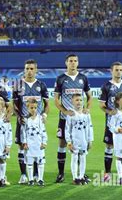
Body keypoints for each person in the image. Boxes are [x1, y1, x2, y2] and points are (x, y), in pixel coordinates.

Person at [54, 54, 92, 183]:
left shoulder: (83, 78)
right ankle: (61, 173)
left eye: (75, 61)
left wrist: (87, 108)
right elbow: (56, 100)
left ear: (78, 63)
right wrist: (65, 111)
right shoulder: (61, 79)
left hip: (79, 118)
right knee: (62, 144)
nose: (73, 63)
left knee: (81, 145)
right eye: (71, 61)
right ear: (66, 63)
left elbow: (90, 96)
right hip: (65, 118)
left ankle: (80, 174)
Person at [13, 59, 49, 184]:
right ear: (24, 70)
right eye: (27, 68)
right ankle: (23, 174)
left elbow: (47, 104)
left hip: (37, 122)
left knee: (37, 147)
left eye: (32, 68)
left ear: (36, 70)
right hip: (23, 121)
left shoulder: (41, 85)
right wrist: (18, 116)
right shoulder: (18, 84)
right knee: (22, 147)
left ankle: (36, 175)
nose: (29, 71)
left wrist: (44, 114)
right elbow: (15, 104)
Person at [99, 62, 122, 182]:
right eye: (116, 70)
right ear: (111, 71)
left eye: (120, 70)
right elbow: (101, 105)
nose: (119, 72)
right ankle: (107, 173)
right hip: (112, 122)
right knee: (109, 146)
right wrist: (111, 112)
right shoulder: (106, 86)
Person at [65, 94, 94, 185]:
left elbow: (90, 127)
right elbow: (67, 129)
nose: (79, 102)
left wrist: (90, 140)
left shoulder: (86, 114)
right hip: (75, 141)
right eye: (77, 100)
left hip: (84, 141)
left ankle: (81, 177)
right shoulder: (71, 114)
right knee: (74, 158)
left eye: (81, 100)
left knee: (83, 158)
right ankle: (75, 177)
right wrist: (69, 142)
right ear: (72, 102)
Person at [21, 98, 47, 186]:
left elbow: (43, 131)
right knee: (29, 163)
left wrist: (44, 142)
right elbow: (23, 132)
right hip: (29, 145)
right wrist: (24, 143)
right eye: (31, 108)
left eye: (35, 108)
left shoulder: (40, 119)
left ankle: (40, 179)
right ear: (27, 108)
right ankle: (31, 179)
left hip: (39, 144)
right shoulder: (25, 120)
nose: (33, 110)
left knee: (40, 162)